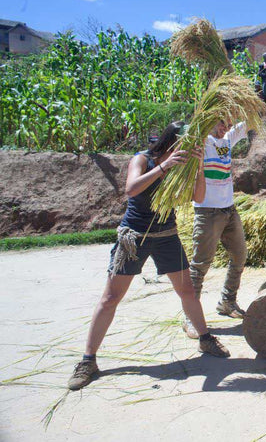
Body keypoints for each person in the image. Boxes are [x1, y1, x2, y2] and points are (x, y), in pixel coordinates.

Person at [68, 122, 230, 390]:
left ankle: (205, 338)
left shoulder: (183, 166)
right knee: (110, 298)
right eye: (187, 144)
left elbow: (198, 196)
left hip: (166, 235)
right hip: (134, 237)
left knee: (187, 291)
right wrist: (163, 167)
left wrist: (199, 167)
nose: (190, 148)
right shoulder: (143, 159)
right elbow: (131, 188)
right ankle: (88, 360)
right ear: (172, 142)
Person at [184, 117, 252, 338]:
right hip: (207, 211)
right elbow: (188, 131)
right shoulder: (202, 140)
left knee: (240, 256)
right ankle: (190, 318)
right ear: (211, 122)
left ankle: (227, 302)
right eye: (221, 124)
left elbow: (250, 120)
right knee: (200, 265)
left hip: (229, 210)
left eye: (228, 125)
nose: (225, 128)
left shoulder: (228, 139)